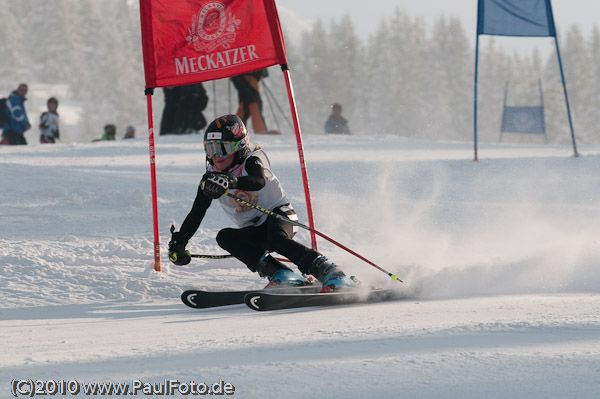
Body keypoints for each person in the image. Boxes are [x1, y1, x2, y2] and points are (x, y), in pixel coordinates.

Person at [168, 114, 356, 292]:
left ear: (239, 147)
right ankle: (281, 274)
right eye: (210, 149)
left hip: (280, 216)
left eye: (222, 149)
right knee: (225, 237)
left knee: (277, 238)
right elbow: (197, 211)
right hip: (255, 229)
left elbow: (258, 181)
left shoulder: (252, 161)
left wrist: (232, 181)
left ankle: (332, 273)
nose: (216, 156)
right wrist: (180, 242)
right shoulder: (210, 177)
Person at [230, 69, 277, 135]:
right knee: (253, 103)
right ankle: (260, 131)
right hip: (245, 75)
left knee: (245, 106)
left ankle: (236, 131)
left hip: (243, 75)